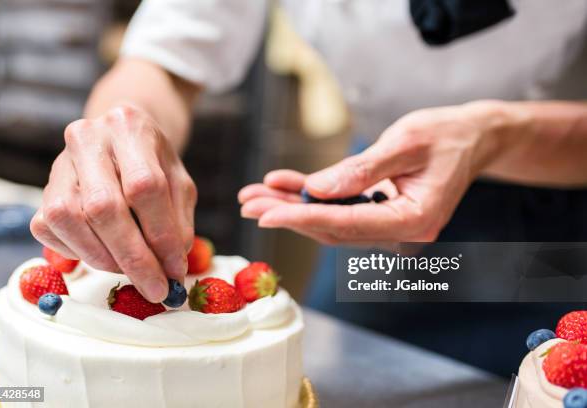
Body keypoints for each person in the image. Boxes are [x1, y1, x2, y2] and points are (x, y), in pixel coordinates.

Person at [30, 0, 587, 373]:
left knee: (546, 381)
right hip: (385, 212)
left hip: (565, 232)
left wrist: (493, 136)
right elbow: (162, 61)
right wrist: (122, 129)